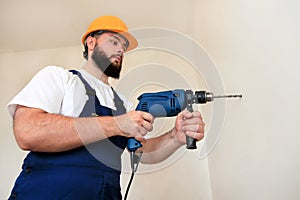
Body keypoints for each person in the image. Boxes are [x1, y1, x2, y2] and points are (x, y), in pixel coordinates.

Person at [7, 15, 205, 200]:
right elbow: (27, 131)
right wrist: (116, 125)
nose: (121, 50)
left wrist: (174, 136)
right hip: (46, 192)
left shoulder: (123, 104)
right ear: (91, 42)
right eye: (114, 41)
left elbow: (140, 152)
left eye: (124, 47)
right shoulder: (59, 78)